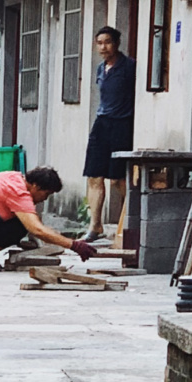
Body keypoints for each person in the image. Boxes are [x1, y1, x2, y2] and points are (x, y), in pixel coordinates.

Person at [0, 164, 97, 272]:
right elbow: (36, 229)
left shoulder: (15, 178)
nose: (45, 199)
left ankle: (19, 243)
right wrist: (74, 246)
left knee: (24, 221)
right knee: (19, 227)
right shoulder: (18, 193)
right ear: (36, 186)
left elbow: (35, 220)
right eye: (46, 194)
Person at [84, 26, 135, 239]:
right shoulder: (100, 69)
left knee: (118, 180)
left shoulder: (129, 67)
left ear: (116, 44)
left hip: (122, 124)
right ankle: (95, 226)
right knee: (94, 176)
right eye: (99, 43)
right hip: (102, 124)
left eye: (107, 42)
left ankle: (131, 221)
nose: (103, 47)